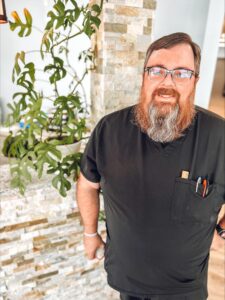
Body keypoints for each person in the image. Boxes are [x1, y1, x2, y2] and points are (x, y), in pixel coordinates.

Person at [76, 32, 225, 300]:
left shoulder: (220, 136)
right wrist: (89, 233)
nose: (167, 82)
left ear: (195, 81)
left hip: (185, 288)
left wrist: (221, 232)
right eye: (157, 71)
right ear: (144, 76)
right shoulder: (109, 130)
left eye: (181, 73)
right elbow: (87, 184)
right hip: (126, 279)